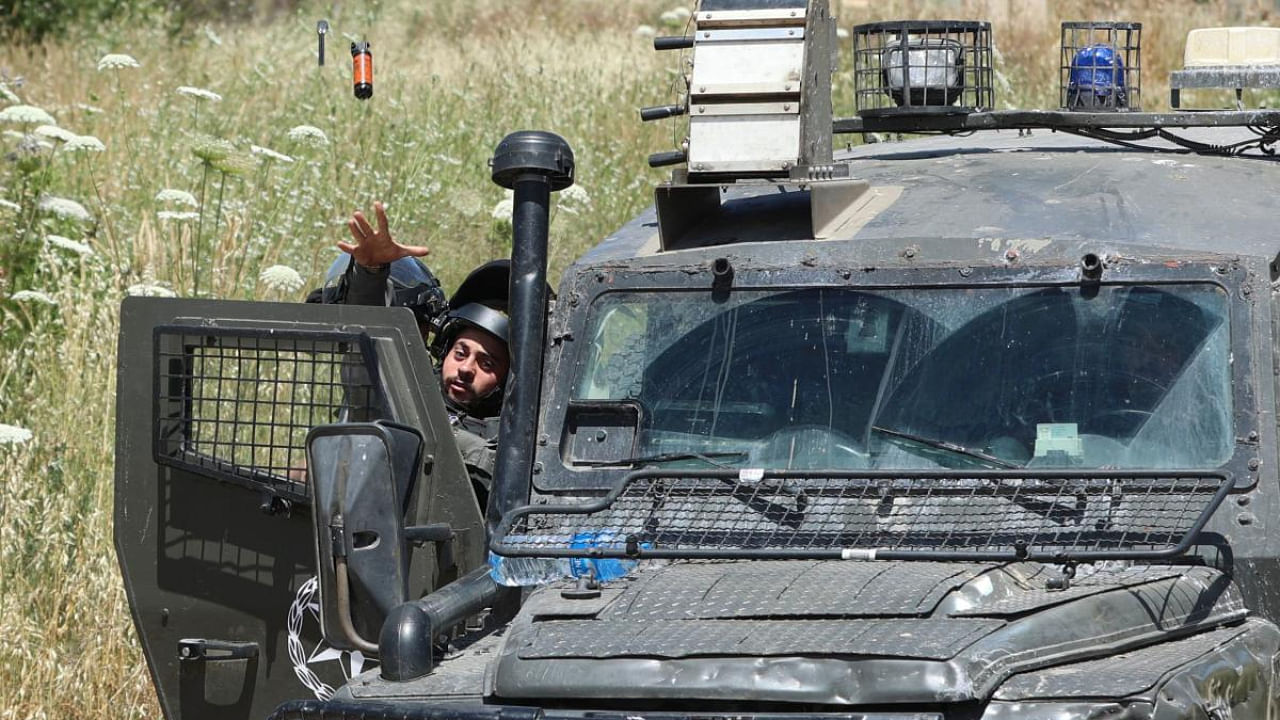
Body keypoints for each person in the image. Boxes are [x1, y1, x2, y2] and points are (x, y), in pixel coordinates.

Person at [319, 200, 512, 505]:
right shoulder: (403, 394)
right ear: (444, 350)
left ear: (508, 380)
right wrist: (370, 274)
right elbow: (366, 362)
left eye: (487, 363)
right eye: (461, 353)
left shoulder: (514, 444)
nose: (466, 369)